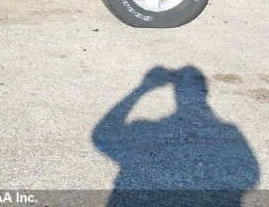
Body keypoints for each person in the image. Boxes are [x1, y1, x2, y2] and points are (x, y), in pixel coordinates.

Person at [92, 66, 259, 207]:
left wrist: (143, 88)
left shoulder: (147, 130)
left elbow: (102, 136)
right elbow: (250, 177)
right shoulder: (228, 132)